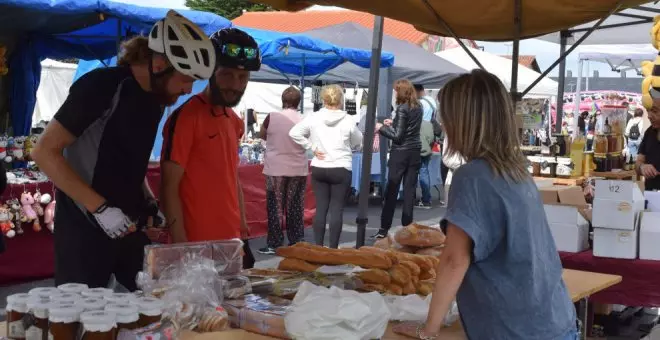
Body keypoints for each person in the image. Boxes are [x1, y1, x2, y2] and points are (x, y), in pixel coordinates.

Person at [31, 10, 215, 290]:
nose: (188, 89)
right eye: (186, 78)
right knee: (83, 320)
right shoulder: (102, 86)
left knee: (157, 305)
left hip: (128, 223)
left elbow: (129, 161)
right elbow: (44, 152)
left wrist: (150, 201)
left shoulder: (155, 100)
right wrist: (101, 209)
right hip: (85, 225)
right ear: (159, 64)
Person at [395, 69, 577, 340]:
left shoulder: (473, 177)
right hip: (553, 319)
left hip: (515, 329)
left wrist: (428, 330)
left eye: (447, 117)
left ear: (464, 121)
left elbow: (455, 259)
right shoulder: (516, 170)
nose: (443, 125)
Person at [160, 28, 261, 269]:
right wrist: (181, 248)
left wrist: (242, 225)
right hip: (196, 246)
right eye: (227, 74)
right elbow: (168, 187)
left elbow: (231, 175)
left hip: (231, 241)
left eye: (243, 77)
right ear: (210, 73)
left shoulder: (234, 120)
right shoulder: (184, 118)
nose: (235, 85)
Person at [289, 84, 362, 248]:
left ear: (323, 99)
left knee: (320, 208)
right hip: (341, 166)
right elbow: (358, 141)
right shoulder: (348, 119)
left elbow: (294, 132)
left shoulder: (313, 117)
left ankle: (318, 247)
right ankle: (333, 249)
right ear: (341, 99)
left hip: (319, 166)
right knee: (337, 209)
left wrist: (311, 147)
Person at [257, 87, 308, 255]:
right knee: (295, 206)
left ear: (282, 100)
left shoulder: (272, 117)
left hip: (275, 167)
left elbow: (262, 135)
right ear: (298, 102)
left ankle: (274, 243)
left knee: (275, 207)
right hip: (297, 168)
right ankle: (296, 240)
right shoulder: (304, 119)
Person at [373, 79, 423, 239]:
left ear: (400, 92)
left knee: (392, 191)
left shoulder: (402, 109)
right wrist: (393, 122)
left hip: (400, 153)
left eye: (395, 90)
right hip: (415, 151)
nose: (394, 93)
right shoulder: (418, 106)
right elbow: (408, 127)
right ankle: (407, 229)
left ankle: (383, 228)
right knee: (409, 192)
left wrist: (382, 128)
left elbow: (398, 136)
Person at [414, 84, 441, 209]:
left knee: (420, 169)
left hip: (420, 134)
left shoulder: (419, 103)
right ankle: (426, 198)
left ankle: (425, 199)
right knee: (424, 167)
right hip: (429, 134)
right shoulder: (432, 101)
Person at [638, 100, 660, 191]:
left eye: (655, 111)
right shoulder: (649, 132)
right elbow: (638, 162)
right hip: (651, 197)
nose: (649, 116)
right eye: (648, 111)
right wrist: (642, 167)